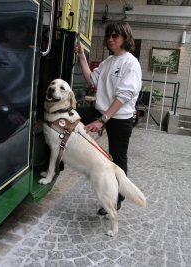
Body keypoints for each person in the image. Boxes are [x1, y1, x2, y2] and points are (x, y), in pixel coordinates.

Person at [75, 22, 142, 215]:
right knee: (70, 118)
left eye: (115, 36)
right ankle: (60, 159)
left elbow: (124, 96)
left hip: (120, 118)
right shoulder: (108, 61)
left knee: (117, 159)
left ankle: (116, 200)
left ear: (125, 38)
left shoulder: (131, 63)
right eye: (109, 36)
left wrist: (102, 120)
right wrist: (81, 56)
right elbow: (91, 80)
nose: (110, 39)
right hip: (100, 111)